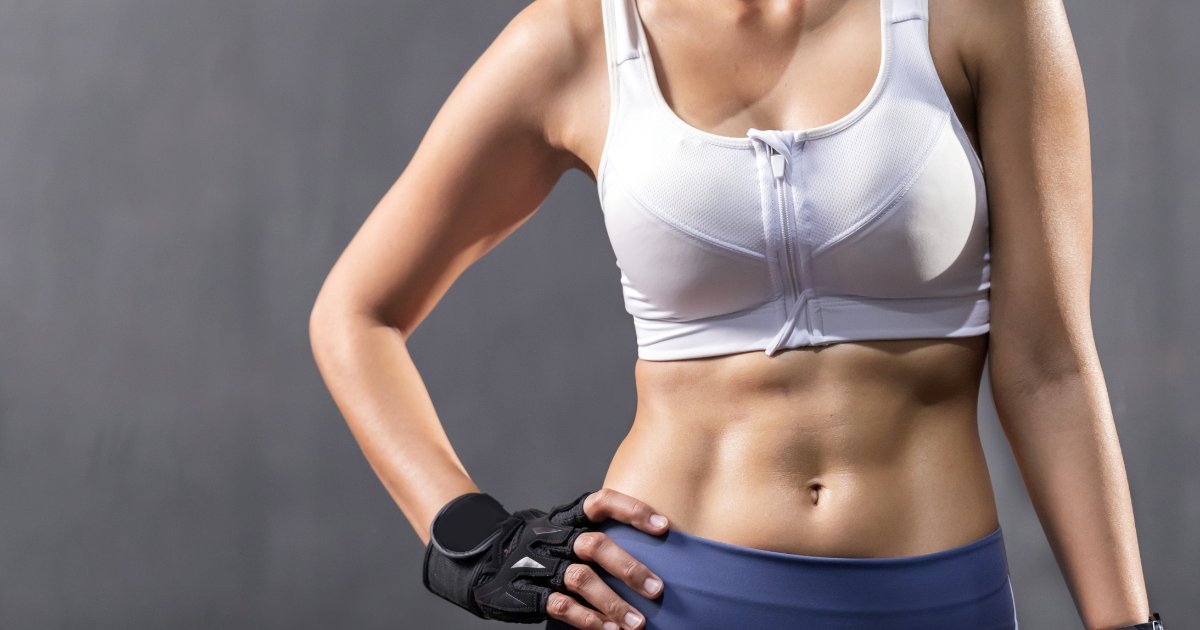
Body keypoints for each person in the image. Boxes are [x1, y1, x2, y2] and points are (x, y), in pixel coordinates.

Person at [308, 0, 1164, 628]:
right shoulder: (577, 38)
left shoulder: (981, 12)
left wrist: (1128, 626)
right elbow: (355, 313)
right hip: (662, 601)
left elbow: (1049, 366)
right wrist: (470, 541)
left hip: (928, 595)